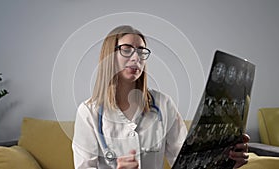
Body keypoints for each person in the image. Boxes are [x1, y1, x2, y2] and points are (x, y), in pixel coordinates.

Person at [72, 25, 250, 169]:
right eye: (126, 50)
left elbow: (185, 162)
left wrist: (226, 161)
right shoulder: (88, 112)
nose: (136, 57)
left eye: (141, 51)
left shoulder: (164, 104)